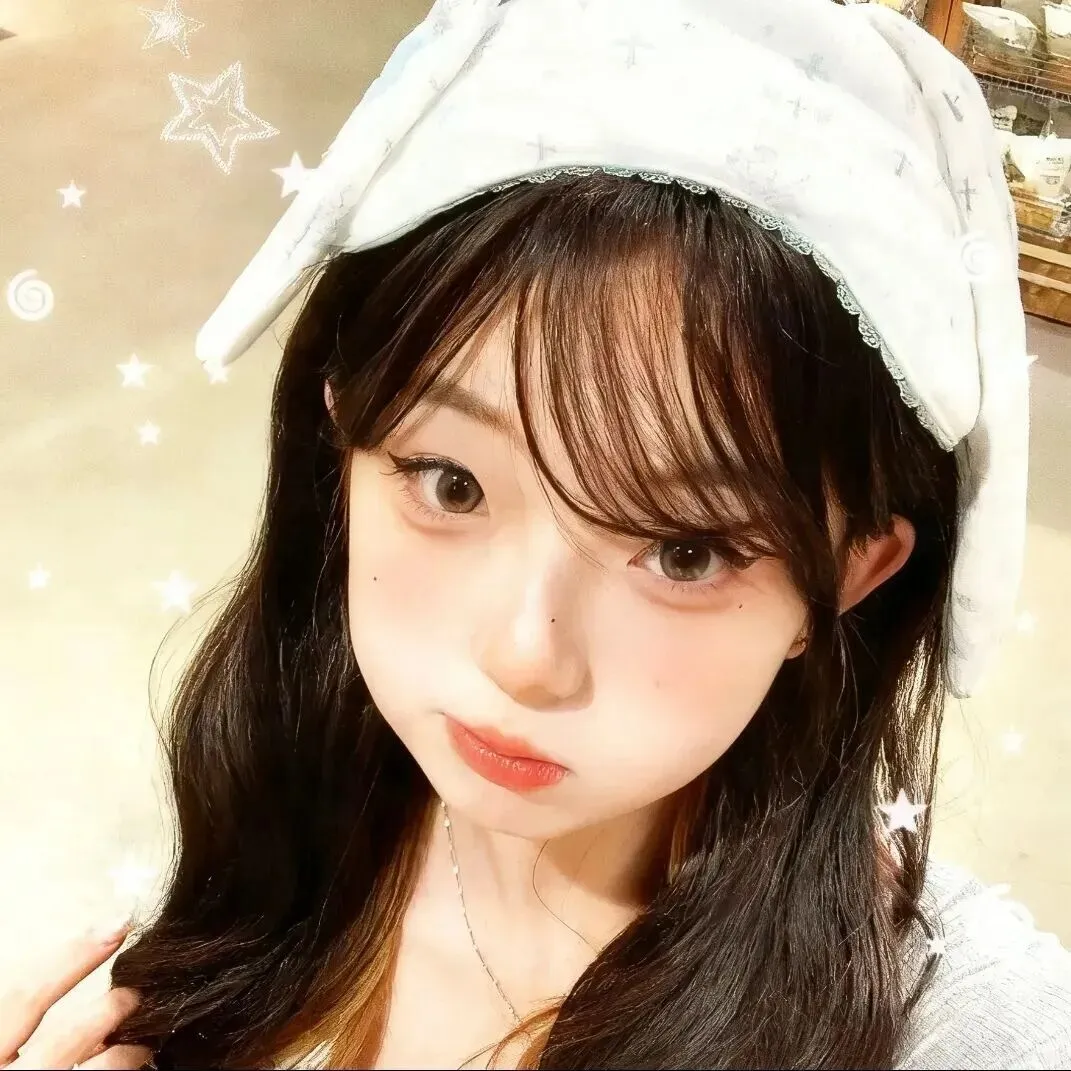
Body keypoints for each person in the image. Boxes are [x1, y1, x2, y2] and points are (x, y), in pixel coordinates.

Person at [3, 0, 1070, 1068]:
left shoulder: (950, 1027)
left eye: (684, 550)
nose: (523, 655)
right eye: (453, 484)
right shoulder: (285, 829)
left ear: (846, 575)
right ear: (341, 440)